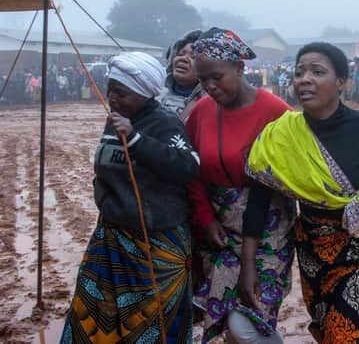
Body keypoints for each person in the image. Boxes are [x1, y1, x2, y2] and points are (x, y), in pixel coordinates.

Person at [241, 42, 359, 343]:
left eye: (317, 71)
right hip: (314, 251)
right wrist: (247, 264)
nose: (304, 79)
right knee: (328, 331)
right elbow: (258, 203)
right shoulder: (280, 136)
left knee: (356, 336)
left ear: (341, 81)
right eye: (299, 72)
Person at [61, 52, 200, 343]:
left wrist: (137, 140)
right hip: (112, 236)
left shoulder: (166, 124)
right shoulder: (115, 120)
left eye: (122, 92)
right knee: (97, 312)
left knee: (153, 321)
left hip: (156, 244)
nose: (113, 97)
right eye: (110, 89)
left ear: (145, 92)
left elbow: (187, 167)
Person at [186, 28, 294, 344]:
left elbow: (290, 176)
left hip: (266, 231)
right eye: (203, 80)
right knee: (228, 321)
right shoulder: (202, 111)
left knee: (250, 319)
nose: (209, 87)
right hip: (217, 230)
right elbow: (191, 171)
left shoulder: (276, 112)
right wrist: (206, 219)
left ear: (240, 68)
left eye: (217, 77)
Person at [158, 29, 205, 121]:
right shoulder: (156, 94)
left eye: (193, 57)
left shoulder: (209, 104)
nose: (183, 59)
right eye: (180, 54)